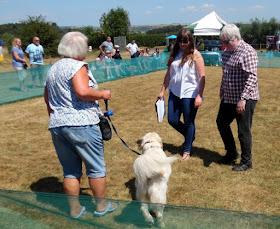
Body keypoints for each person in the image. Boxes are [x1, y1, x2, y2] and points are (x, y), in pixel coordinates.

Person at [44, 31, 117, 218]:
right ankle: (102, 206)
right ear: (78, 49)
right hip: (82, 124)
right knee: (96, 167)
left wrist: (56, 117)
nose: (87, 50)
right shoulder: (78, 66)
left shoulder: (53, 68)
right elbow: (82, 91)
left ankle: (75, 209)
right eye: (85, 47)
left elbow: (47, 98)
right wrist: (102, 94)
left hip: (58, 125)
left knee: (70, 171)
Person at [157, 28, 205, 161]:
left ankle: (187, 150)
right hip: (175, 92)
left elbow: (202, 76)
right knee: (172, 119)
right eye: (180, 41)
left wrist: (199, 95)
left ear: (191, 41)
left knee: (189, 122)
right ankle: (190, 135)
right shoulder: (175, 54)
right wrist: (162, 91)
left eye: (186, 41)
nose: (183, 44)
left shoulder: (196, 55)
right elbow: (168, 75)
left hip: (190, 93)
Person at [216, 24, 259, 171]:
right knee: (221, 122)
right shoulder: (227, 52)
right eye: (223, 42)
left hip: (245, 98)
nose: (224, 45)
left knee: (243, 130)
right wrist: (222, 90)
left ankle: (247, 162)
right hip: (228, 97)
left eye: (226, 42)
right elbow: (225, 73)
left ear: (235, 38)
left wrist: (243, 99)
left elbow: (252, 78)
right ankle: (232, 153)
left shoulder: (248, 52)